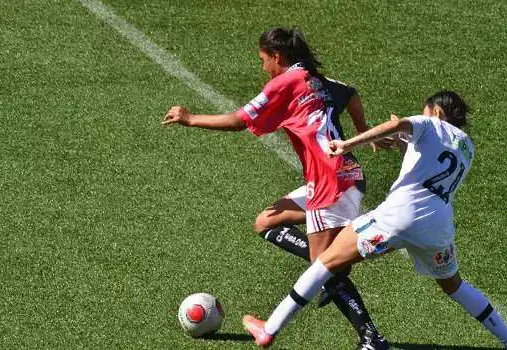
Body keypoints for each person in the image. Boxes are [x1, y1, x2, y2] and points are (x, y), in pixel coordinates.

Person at [243, 91, 507, 350]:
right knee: (454, 286)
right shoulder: (467, 147)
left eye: (424, 109)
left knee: (325, 262)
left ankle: (268, 330)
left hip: (398, 216)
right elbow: (420, 165)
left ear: (436, 111)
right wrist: (403, 142)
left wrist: (347, 144)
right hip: (438, 227)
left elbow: (396, 126)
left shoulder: (429, 122)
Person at [163, 27, 390, 349]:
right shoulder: (315, 80)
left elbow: (238, 120)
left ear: (278, 57)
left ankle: (372, 338)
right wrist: (364, 131)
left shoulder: (284, 82)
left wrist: (190, 118)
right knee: (266, 222)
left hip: (330, 183)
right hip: (340, 176)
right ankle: (333, 272)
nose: (262, 67)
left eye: (263, 60)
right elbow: (350, 93)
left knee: (322, 268)